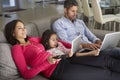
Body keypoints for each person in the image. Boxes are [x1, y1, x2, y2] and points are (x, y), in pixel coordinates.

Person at [3, 20, 120, 80]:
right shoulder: (17, 49)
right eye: (20, 28)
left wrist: (76, 46)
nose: (24, 30)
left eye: (24, 27)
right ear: (13, 33)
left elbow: (56, 40)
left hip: (66, 58)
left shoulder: (33, 39)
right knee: (105, 74)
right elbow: (26, 74)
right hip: (57, 71)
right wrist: (47, 63)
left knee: (106, 60)